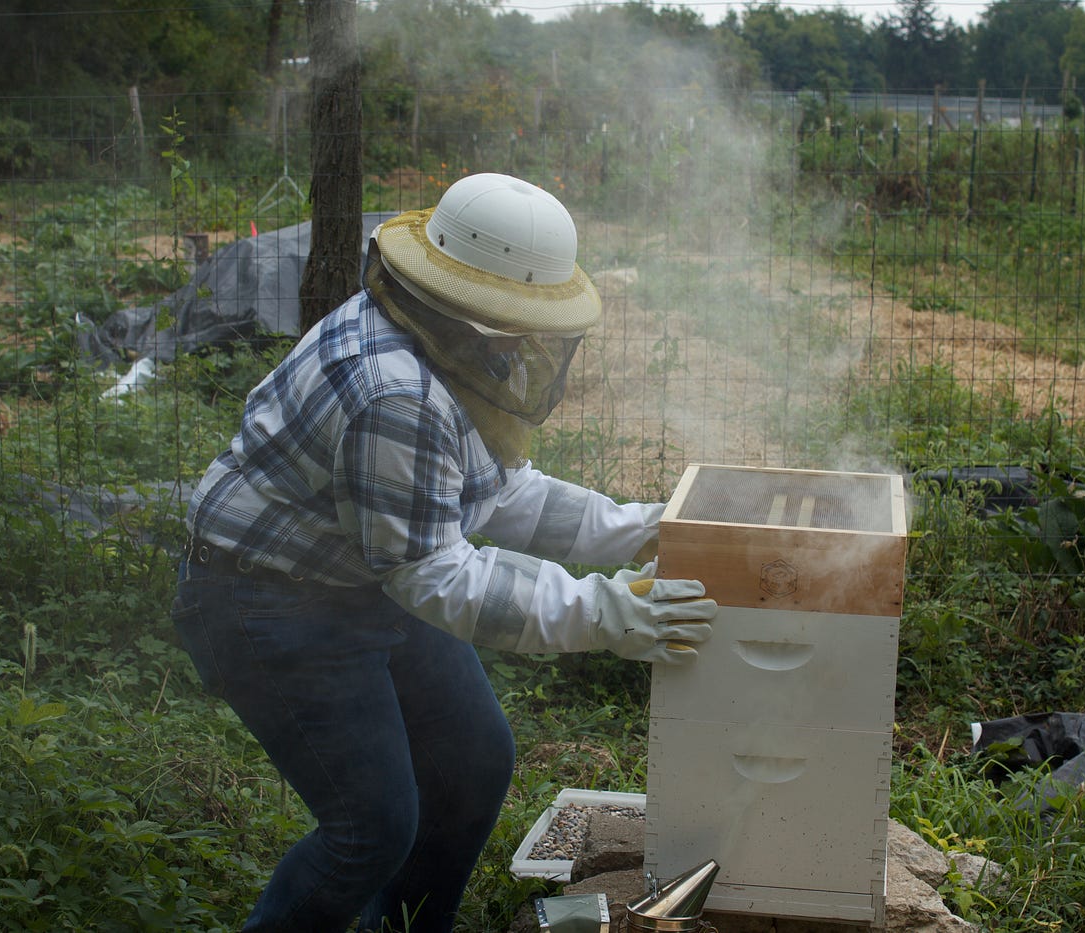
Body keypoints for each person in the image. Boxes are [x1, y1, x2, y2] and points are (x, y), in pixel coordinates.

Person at [171, 173, 717, 933]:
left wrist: (640, 529)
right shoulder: (394, 390)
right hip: (270, 598)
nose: (530, 337)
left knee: (471, 761)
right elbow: (433, 574)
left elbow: (499, 492)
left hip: (363, 576)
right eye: (520, 317)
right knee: (369, 828)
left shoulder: (445, 344)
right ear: (475, 305)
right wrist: (607, 612)